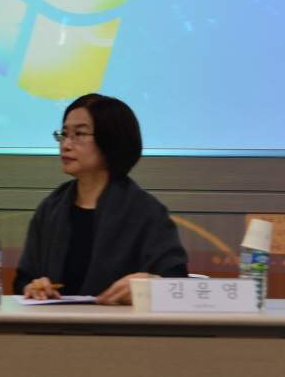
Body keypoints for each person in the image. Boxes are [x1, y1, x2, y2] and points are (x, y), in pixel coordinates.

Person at [16, 93, 188, 305]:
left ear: (111, 142)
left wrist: (149, 283)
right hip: (53, 323)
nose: (65, 145)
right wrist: (31, 287)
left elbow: (177, 280)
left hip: (119, 324)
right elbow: (24, 278)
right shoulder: (52, 207)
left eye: (79, 134)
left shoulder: (146, 210)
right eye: (64, 134)